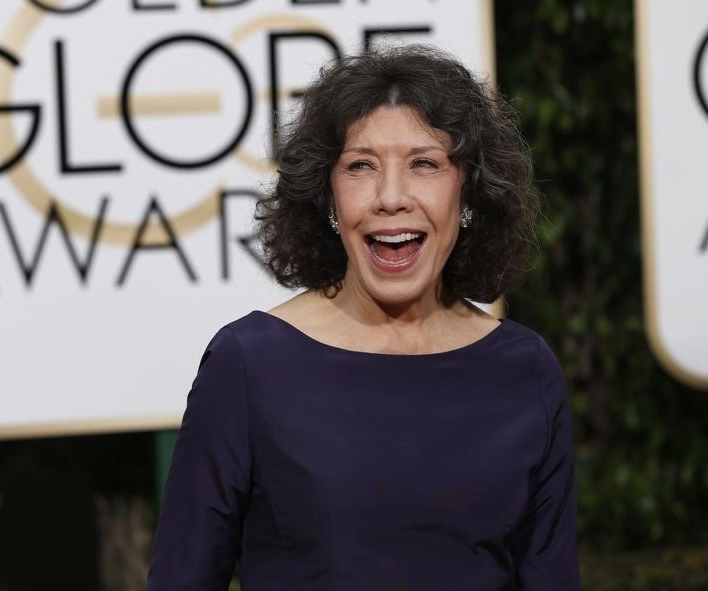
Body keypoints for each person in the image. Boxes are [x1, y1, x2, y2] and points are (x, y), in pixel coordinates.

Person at [147, 45, 580, 590]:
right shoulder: (250, 365)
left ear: (467, 189)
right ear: (329, 195)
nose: (391, 197)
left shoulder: (525, 372)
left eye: (424, 163)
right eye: (360, 166)